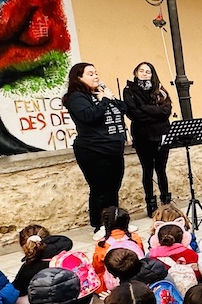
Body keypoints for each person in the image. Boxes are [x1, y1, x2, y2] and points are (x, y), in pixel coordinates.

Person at [63, 62, 128, 230]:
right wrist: (104, 100)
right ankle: (100, 225)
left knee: (114, 188)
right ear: (79, 78)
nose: (96, 76)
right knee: (101, 189)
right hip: (93, 150)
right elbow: (89, 116)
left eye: (96, 73)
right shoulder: (76, 97)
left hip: (113, 148)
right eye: (90, 74)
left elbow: (125, 108)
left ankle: (114, 222)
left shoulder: (99, 93)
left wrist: (110, 98)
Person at [122, 61, 175, 218]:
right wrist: (155, 113)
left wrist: (145, 108)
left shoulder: (159, 89)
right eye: (141, 71)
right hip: (143, 135)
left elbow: (167, 110)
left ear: (153, 74)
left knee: (161, 169)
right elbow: (133, 113)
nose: (145, 74)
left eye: (148, 71)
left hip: (161, 134)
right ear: (136, 72)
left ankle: (165, 201)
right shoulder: (129, 90)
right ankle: (150, 203)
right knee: (147, 170)